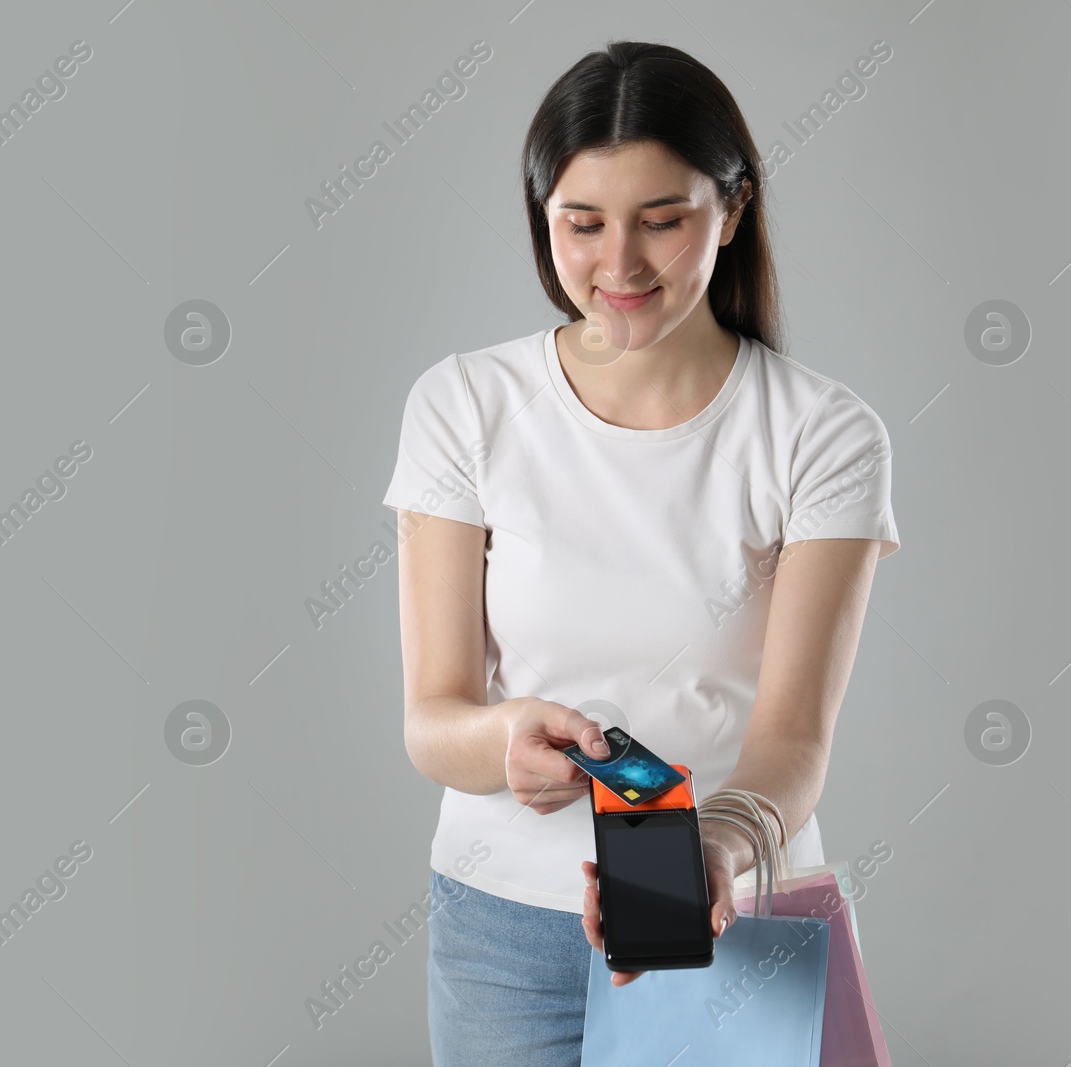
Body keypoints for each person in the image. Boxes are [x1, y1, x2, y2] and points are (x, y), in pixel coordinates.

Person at [380, 40, 901, 1066]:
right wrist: (503, 740)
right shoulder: (464, 405)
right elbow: (432, 718)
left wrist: (705, 851)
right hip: (501, 923)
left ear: (734, 210)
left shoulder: (823, 434)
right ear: (544, 219)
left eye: (662, 221)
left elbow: (793, 740)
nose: (618, 265)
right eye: (581, 223)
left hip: (722, 911)